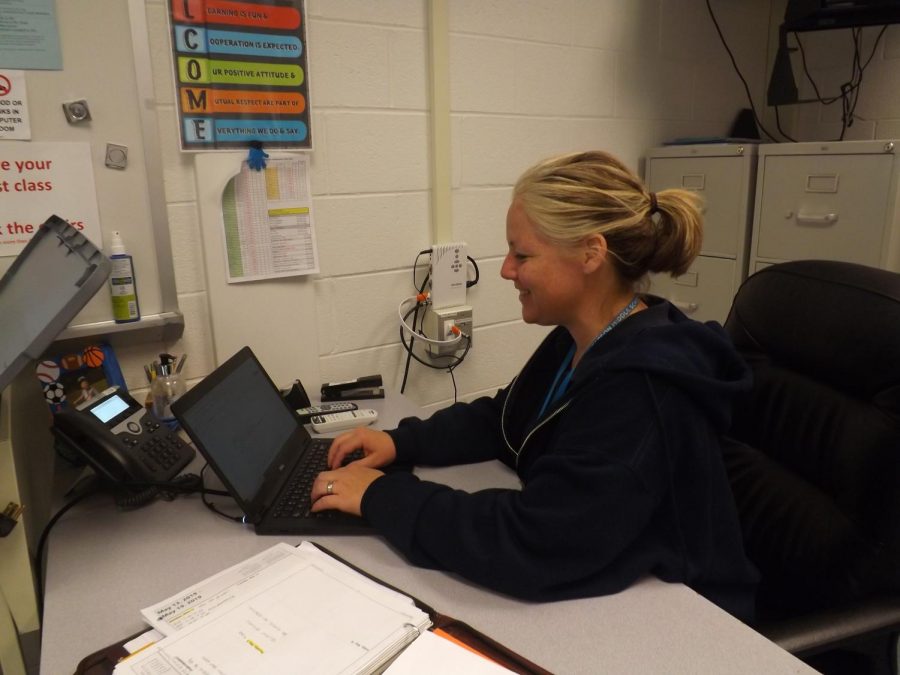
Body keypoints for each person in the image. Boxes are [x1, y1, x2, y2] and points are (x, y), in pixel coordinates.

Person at [310, 150, 759, 621]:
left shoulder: (641, 386)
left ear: (591, 253)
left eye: (522, 255)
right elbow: (506, 419)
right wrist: (399, 443)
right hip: (622, 590)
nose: (505, 270)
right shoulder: (584, 337)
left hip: (688, 619)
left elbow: (535, 542)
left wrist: (379, 496)